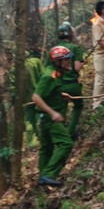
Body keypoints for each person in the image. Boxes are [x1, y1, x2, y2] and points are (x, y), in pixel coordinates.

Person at [32, 45, 74, 187]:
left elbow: (49, 92)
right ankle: (49, 174)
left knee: (47, 147)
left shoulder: (56, 73)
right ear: (57, 62)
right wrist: (53, 113)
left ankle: (43, 177)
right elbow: (36, 97)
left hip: (45, 117)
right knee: (66, 143)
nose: (69, 62)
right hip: (49, 117)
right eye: (66, 60)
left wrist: (62, 95)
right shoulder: (48, 75)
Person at [50, 22, 85, 140]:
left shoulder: (54, 50)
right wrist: (82, 63)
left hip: (59, 86)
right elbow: (77, 68)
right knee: (78, 106)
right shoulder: (75, 48)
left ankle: (59, 135)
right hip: (73, 85)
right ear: (70, 35)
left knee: (62, 111)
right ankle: (69, 133)